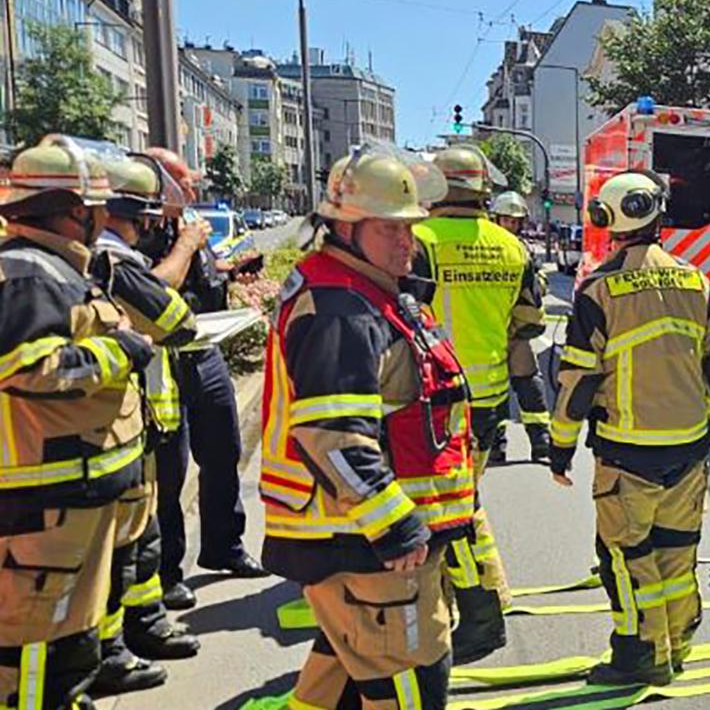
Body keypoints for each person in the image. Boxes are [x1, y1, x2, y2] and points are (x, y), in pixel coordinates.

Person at [260, 149, 474, 708]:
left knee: (342, 673)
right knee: (410, 681)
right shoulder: (340, 308)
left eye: (409, 228)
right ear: (344, 228)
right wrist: (396, 527)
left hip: (357, 538)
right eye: (390, 229)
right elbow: (332, 434)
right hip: (363, 542)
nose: (406, 242)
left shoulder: (364, 291)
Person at [550, 170, 710, 686]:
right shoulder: (698, 282)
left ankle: (638, 655)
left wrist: (559, 449)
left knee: (627, 559)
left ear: (608, 221)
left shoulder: (598, 290)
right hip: (690, 450)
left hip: (626, 456)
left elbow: (579, 385)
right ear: (657, 217)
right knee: (678, 552)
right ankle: (677, 647)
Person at [0, 138, 156, 709]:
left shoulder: (53, 268)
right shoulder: (29, 273)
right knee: (39, 652)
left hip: (67, 493)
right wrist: (123, 352)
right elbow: (29, 369)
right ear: (75, 211)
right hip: (43, 498)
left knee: (66, 645)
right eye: (96, 211)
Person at [412, 146, 542, 664]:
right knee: (463, 503)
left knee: (451, 512)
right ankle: (481, 600)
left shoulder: (418, 242)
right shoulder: (512, 247)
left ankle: (481, 611)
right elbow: (528, 325)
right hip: (487, 399)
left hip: (431, 400)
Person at [89, 153, 202, 696]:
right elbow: (175, 321)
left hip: (120, 426)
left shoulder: (74, 263)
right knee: (125, 544)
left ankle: (139, 627)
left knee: (138, 538)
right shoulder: (110, 260)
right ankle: (113, 650)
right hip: (111, 431)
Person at [143, 148, 266, 612]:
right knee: (169, 471)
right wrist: (187, 245)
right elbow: (151, 291)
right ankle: (167, 570)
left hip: (205, 350)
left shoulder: (186, 224)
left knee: (223, 453)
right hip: (164, 360)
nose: (192, 189)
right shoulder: (143, 230)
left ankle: (223, 545)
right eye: (184, 182)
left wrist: (232, 272)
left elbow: (201, 283)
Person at [492, 190, 552, 463]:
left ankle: (541, 442)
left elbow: (539, 284)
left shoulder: (524, 250)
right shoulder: (492, 249)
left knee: (530, 385)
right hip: (490, 329)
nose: (512, 226)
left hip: (515, 331)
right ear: (497, 219)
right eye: (507, 220)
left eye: (516, 222)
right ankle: (495, 445)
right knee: (493, 391)